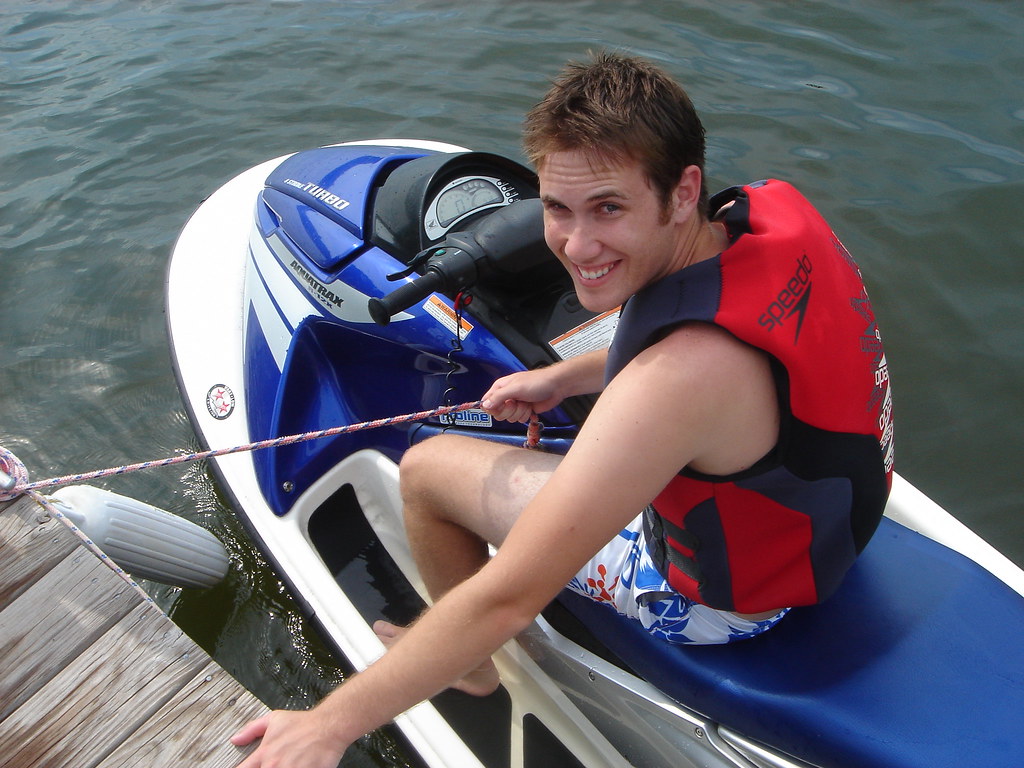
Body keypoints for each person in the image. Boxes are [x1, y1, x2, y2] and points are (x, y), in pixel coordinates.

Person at [232, 50, 894, 767]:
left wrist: (329, 725)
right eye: (556, 208)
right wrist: (569, 378)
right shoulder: (764, 215)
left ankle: (471, 671)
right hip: (834, 523)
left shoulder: (675, 382)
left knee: (426, 470)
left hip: (725, 605)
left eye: (609, 207)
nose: (577, 246)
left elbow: (508, 597)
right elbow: (737, 343)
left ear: (681, 191)